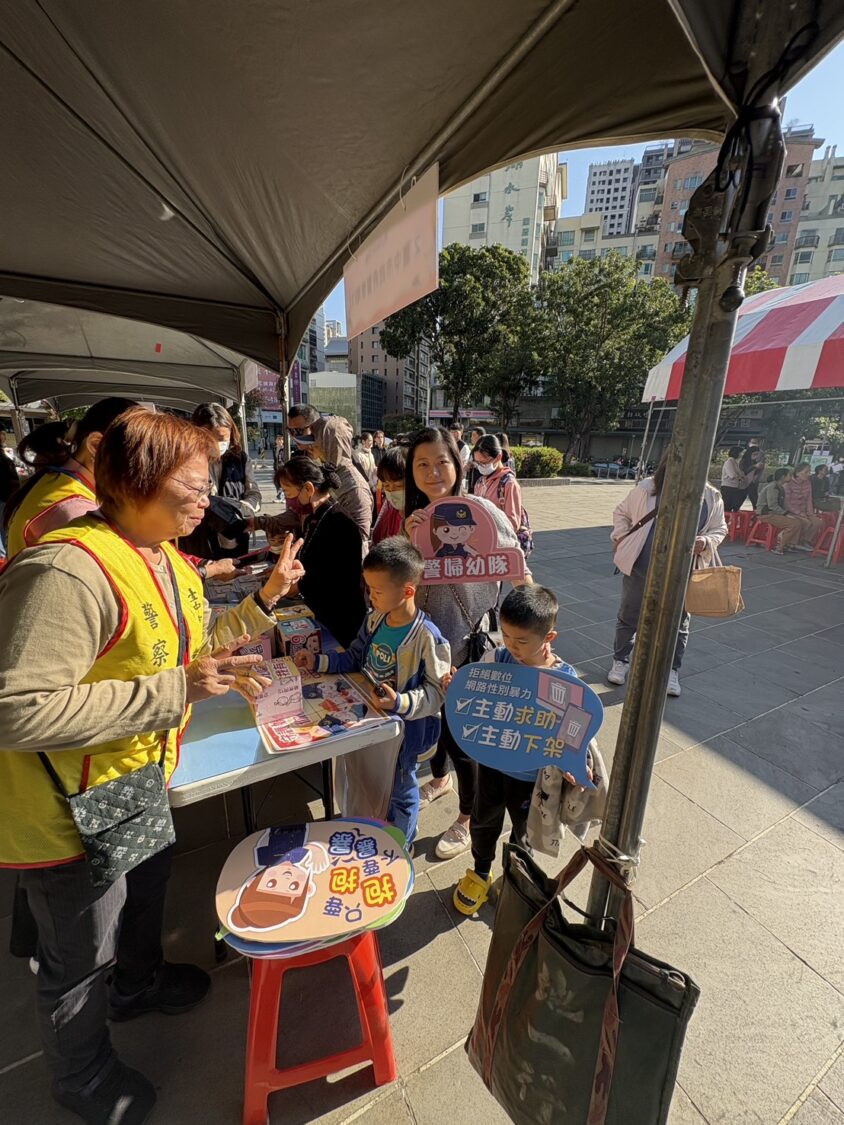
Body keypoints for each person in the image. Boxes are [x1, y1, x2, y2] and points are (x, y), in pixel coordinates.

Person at [0, 410, 304, 1125]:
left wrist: (264, 600)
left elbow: (196, 645)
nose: (207, 500)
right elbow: (16, 709)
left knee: (144, 892)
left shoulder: (162, 555)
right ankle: (83, 1078)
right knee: (79, 956)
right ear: (137, 481)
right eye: (193, 486)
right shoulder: (67, 569)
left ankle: (139, 982)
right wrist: (174, 691)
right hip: (67, 811)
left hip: (130, 785)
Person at [404, 427, 529, 860]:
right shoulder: (415, 519)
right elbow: (402, 586)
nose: (433, 472)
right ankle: (439, 780)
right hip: (426, 647)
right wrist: (406, 541)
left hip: (466, 645)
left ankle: (466, 817)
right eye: (422, 464)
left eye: (441, 462)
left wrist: (532, 626)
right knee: (433, 724)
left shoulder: (483, 510)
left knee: (461, 738)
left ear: (458, 465)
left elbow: (516, 565)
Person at [448, 586, 597, 914]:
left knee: (524, 830)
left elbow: (575, 731)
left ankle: (515, 874)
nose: (511, 646)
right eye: (505, 635)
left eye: (521, 640)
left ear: (549, 637)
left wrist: (576, 762)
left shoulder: (564, 680)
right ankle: (481, 871)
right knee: (483, 821)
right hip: (492, 764)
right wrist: (457, 688)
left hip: (532, 777)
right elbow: (475, 696)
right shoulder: (497, 659)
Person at [296, 537, 450, 848]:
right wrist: (319, 661)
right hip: (370, 721)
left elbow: (437, 692)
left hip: (404, 732)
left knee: (401, 789)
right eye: (368, 588)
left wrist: (400, 701)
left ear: (407, 591)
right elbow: (355, 656)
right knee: (373, 778)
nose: (370, 596)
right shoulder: (375, 619)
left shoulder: (427, 637)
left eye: (377, 591)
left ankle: (401, 843)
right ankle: (376, 825)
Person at [608, 455, 727, 697]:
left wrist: (706, 541)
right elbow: (622, 513)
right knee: (630, 613)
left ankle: (671, 669)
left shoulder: (711, 495)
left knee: (680, 621)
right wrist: (620, 537)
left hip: (684, 569)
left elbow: (720, 528)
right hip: (641, 563)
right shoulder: (648, 488)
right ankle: (620, 660)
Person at [4, 397, 138, 560]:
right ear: (95, 445)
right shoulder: (75, 510)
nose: (149, 470)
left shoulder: (57, 481)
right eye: (139, 455)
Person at [255, 457, 367, 646]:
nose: (287, 500)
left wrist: (295, 586)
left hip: (340, 618)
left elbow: (336, 578)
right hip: (318, 611)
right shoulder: (313, 518)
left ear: (308, 488)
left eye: (287, 492)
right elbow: (310, 562)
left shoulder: (341, 524)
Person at [178, 403, 261, 561]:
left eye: (222, 439)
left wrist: (243, 508)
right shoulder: (185, 460)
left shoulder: (240, 459)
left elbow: (254, 493)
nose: (216, 444)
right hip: (199, 541)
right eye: (210, 438)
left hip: (234, 539)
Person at [309, 414, 374, 542]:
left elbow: (359, 541)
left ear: (330, 446)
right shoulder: (326, 473)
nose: (310, 448)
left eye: (315, 445)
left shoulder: (356, 488)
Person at [470, 433, 524, 537]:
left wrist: (489, 525)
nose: (480, 466)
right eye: (477, 463)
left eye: (484, 463)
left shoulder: (509, 484)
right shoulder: (480, 482)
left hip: (499, 541)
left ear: (498, 457)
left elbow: (513, 524)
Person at [756, 467, 805, 553]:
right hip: (766, 514)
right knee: (793, 524)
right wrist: (785, 514)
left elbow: (782, 505)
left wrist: (789, 513)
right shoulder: (773, 487)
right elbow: (772, 505)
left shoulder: (780, 487)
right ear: (783, 477)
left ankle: (789, 544)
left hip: (775, 513)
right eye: (789, 475)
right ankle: (779, 547)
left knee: (799, 521)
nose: (791, 477)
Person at [783, 462, 823, 549]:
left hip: (804, 511)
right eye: (806, 472)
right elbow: (786, 503)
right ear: (797, 473)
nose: (809, 474)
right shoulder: (788, 484)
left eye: (809, 471)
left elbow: (809, 499)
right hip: (791, 511)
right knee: (806, 522)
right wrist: (799, 513)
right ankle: (792, 542)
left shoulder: (807, 483)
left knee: (817, 522)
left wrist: (810, 513)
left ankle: (805, 540)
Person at [372, 446, 407, 544]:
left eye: (398, 486)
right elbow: (377, 538)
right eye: (386, 486)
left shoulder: (422, 514)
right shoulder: (388, 507)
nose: (391, 491)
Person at [0, 447, 20, 558]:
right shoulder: (5, 459)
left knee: (4, 528)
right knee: (5, 528)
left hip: (4, 498)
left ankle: (4, 557)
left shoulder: (5, 459)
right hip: (5, 498)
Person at [720, 446, 748, 512]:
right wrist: (741, 477)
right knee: (727, 507)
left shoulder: (735, 462)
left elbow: (741, 473)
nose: (742, 455)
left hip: (735, 486)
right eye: (741, 453)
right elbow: (732, 475)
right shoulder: (729, 461)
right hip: (728, 487)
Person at [739, 441, 765, 509]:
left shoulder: (756, 461)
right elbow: (743, 471)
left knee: (755, 500)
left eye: (757, 455)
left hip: (753, 483)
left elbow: (758, 472)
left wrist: (758, 473)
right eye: (754, 454)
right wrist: (754, 466)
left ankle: (756, 512)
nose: (756, 456)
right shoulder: (744, 461)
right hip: (744, 482)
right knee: (739, 499)